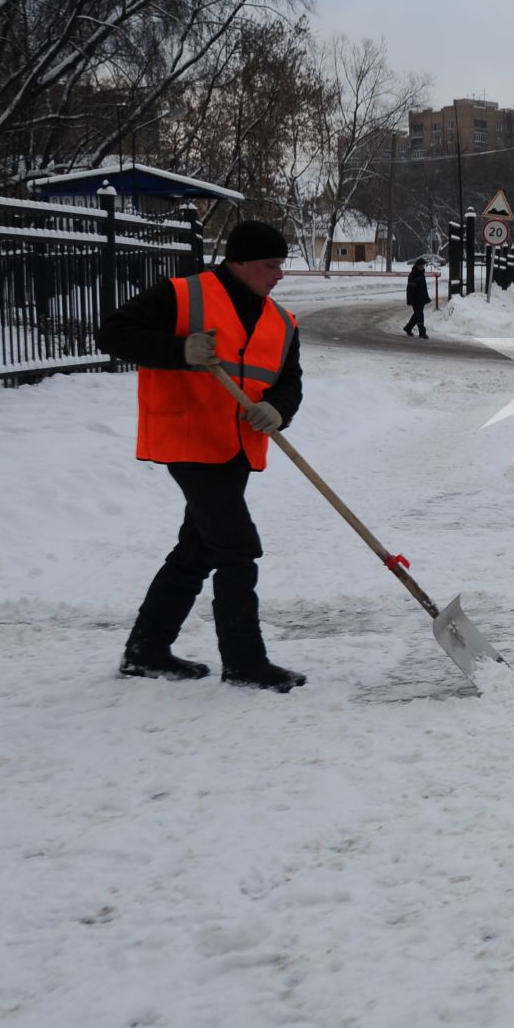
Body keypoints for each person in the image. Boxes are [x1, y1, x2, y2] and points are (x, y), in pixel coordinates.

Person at [96, 221, 307, 692]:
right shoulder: (182, 295)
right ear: (241, 263)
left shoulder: (282, 321)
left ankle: (146, 650)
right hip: (189, 438)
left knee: (198, 549)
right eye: (271, 265)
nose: (279, 275)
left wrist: (278, 409)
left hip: (235, 445)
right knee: (236, 548)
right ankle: (244, 661)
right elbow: (112, 333)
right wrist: (179, 350)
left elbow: (289, 382)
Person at [403, 258, 430, 337]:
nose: (423, 267)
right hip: (415, 299)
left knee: (417, 315)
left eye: (423, 265)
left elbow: (423, 287)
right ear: (417, 266)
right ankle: (422, 332)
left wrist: (425, 297)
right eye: (422, 265)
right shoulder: (413, 275)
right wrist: (410, 300)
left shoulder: (421, 273)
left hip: (422, 298)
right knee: (419, 315)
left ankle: (408, 328)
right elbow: (410, 289)